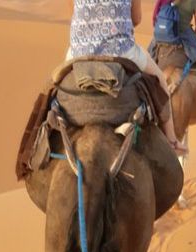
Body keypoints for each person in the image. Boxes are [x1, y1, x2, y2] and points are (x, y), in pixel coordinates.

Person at [67, 0, 187, 154]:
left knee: (55, 84)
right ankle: (172, 140)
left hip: (79, 50)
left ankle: (37, 141)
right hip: (121, 50)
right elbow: (136, 19)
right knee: (161, 79)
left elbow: (74, 13)